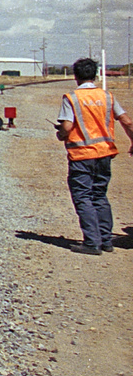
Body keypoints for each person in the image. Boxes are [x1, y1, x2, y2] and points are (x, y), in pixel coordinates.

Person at [55, 57, 133, 254]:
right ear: (96, 75)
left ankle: (91, 243)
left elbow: (67, 126)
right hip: (104, 154)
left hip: (82, 155)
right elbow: (127, 121)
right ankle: (106, 241)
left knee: (83, 197)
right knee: (99, 196)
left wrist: (60, 134)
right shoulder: (107, 96)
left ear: (76, 76)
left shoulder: (71, 98)